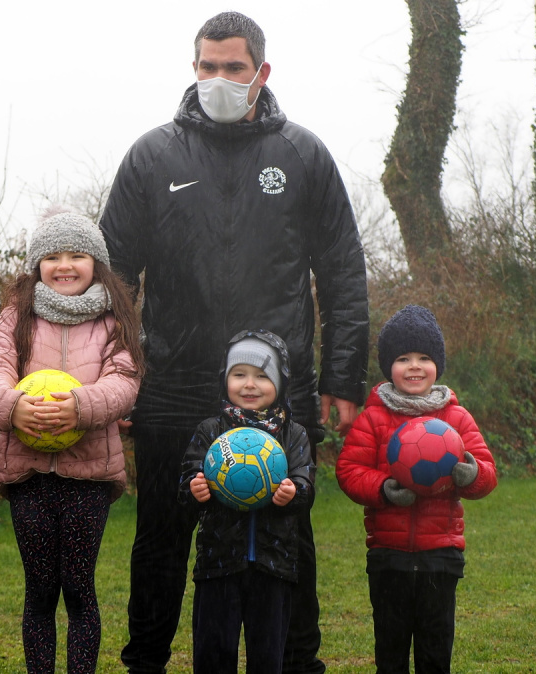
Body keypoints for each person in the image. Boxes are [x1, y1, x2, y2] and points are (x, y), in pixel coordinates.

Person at [99, 11, 369, 673]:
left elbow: (342, 273)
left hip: (276, 391)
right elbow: (112, 280)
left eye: (234, 68)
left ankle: (298, 664)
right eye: (208, 66)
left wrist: (342, 379)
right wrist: (117, 379)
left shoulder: (303, 156)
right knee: (160, 541)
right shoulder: (151, 155)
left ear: (261, 73)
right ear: (193, 68)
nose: (219, 78)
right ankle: (145, 663)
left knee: (287, 540)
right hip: (172, 386)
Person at [0, 210, 144, 674]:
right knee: (40, 591)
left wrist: (80, 407)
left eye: (76, 255)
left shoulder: (114, 321)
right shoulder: (16, 316)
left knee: (79, 588)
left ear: (97, 263)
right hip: (28, 476)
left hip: (89, 479)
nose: (64, 265)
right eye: (52, 256)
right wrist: (12, 407)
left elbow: (124, 382)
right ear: (37, 265)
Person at [334, 305, 498, 673]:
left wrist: (471, 474)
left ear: (438, 365)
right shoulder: (373, 417)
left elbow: (488, 474)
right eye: (403, 358)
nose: (414, 366)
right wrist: (383, 488)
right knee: (390, 651)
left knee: (434, 651)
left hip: (441, 556)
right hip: (387, 556)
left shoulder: (456, 417)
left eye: (424, 358)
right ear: (388, 366)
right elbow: (348, 470)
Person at [179, 330, 316, 673]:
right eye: (239, 374)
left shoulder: (293, 434)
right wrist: (194, 488)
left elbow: (305, 484)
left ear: (280, 383)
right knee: (213, 655)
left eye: (262, 376)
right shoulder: (211, 430)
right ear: (224, 379)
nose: (249, 384)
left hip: (274, 565)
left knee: (268, 657)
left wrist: (293, 492)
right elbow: (187, 481)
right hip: (218, 563)